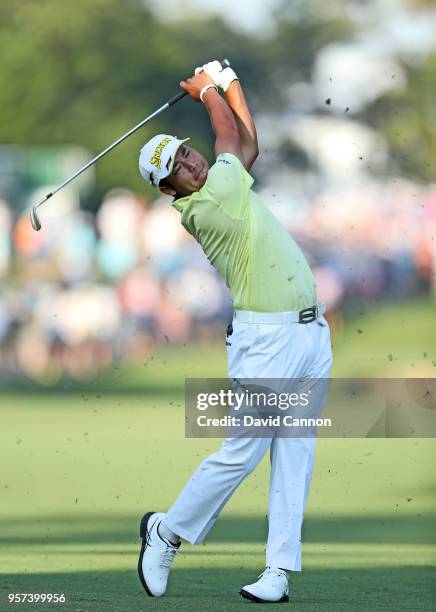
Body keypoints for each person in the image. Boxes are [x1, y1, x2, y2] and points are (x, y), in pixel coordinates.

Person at [137, 61, 333, 603]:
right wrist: (208, 93)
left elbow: (248, 147)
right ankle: (168, 532)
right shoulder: (207, 204)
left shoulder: (228, 183)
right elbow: (227, 135)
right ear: (169, 189)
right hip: (267, 342)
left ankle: (278, 572)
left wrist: (231, 84)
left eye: (185, 151)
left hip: (310, 335)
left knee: (297, 450)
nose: (190, 161)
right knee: (243, 452)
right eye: (177, 166)